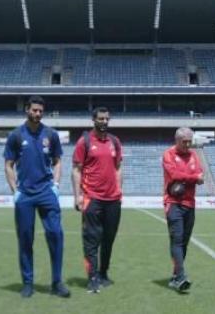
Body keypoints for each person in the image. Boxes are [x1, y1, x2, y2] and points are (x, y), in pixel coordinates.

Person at [3, 95, 70, 299]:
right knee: (25, 239)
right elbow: (8, 165)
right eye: (34, 110)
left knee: (56, 235)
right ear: (27, 110)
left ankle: (57, 282)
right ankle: (28, 283)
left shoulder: (51, 134)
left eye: (40, 111)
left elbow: (58, 161)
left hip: (46, 194)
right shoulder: (16, 135)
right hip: (25, 196)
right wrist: (15, 191)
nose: (37, 113)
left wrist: (56, 185)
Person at [71, 107, 123, 294]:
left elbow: (118, 168)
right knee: (92, 239)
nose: (104, 122)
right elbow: (76, 170)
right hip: (92, 198)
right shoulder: (84, 141)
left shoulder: (115, 142)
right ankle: (92, 278)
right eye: (101, 118)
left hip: (113, 200)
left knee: (108, 239)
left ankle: (103, 273)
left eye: (107, 119)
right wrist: (77, 196)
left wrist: (119, 190)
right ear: (93, 120)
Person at [162, 127, 204, 293]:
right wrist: (193, 178)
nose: (187, 144)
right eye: (184, 142)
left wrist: (191, 178)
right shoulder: (168, 154)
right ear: (177, 141)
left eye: (189, 141)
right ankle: (180, 276)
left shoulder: (193, 155)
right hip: (173, 203)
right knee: (177, 239)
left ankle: (175, 276)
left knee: (184, 242)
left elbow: (201, 174)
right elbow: (175, 175)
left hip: (189, 204)